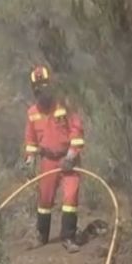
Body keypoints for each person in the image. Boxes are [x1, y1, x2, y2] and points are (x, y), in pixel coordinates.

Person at [22, 64, 86, 252]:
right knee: (45, 199)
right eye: (38, 89)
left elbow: (77, 131)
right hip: (48, 161)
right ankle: (42, 236)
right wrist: (29, 161)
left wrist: (71, 155)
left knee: (70, 196)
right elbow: (31, 140)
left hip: (68, 160)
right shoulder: (33, 113)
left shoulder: (64, 105)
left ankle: (69, 237)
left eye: (44, 87)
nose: (42, 92)